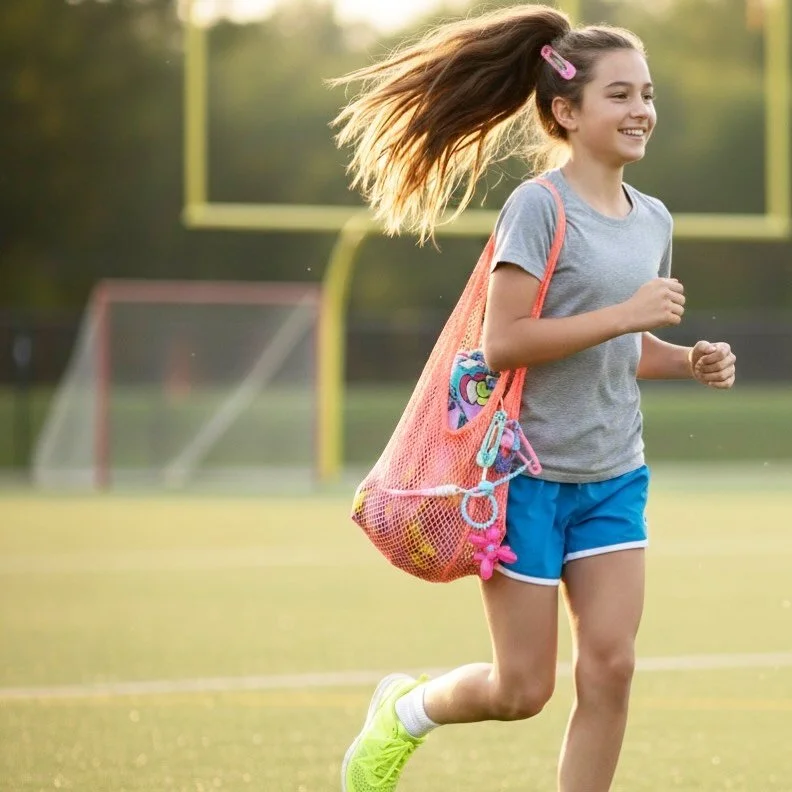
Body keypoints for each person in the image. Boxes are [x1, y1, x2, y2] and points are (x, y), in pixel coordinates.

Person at [329, 5, 738, 791]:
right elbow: (504, 343)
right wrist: (626, 315)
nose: (641, 110)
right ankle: (404, 712)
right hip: (523, 481)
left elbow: (620, 350)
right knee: (522, 689)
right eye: (619, 95)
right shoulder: (540, 209)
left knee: (612, 668)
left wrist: (689, 360)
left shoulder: (653, 219)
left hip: (614, 476)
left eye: (647, 94)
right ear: (565, 111)